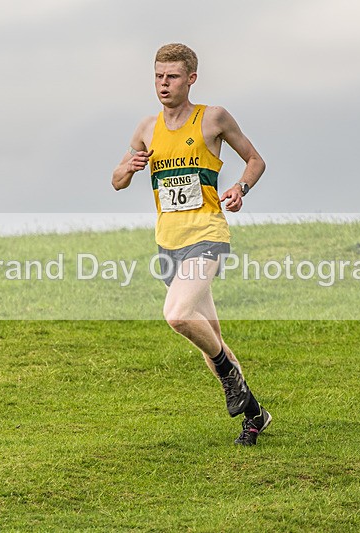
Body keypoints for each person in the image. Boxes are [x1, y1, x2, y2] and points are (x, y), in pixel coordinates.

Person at [112, 43, 269, 445]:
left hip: (207, 237)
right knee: (209, 336)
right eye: (159, 77)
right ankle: (255, 415)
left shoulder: (212, 118)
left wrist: (240, 188)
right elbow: (116, 180)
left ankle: (231, 377)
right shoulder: (147, 128)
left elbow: (255, 160)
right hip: (168, 245)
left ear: (191, 79)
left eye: (173, 77)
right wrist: (127, 168)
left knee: (179, 316)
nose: (164, 84)